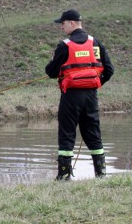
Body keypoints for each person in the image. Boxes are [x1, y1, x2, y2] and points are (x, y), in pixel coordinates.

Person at [45, 9, 114, 180]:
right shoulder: (95, 42)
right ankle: (101, 173)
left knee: (67, 132)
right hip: (91, 96)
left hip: (71, 96)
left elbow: (51, 72)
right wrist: (94, 84)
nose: (61, 27)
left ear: (72, 23)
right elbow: (109, 70)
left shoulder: (65, 45)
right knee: (93, 133)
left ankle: (64, 174)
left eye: (63, 23)